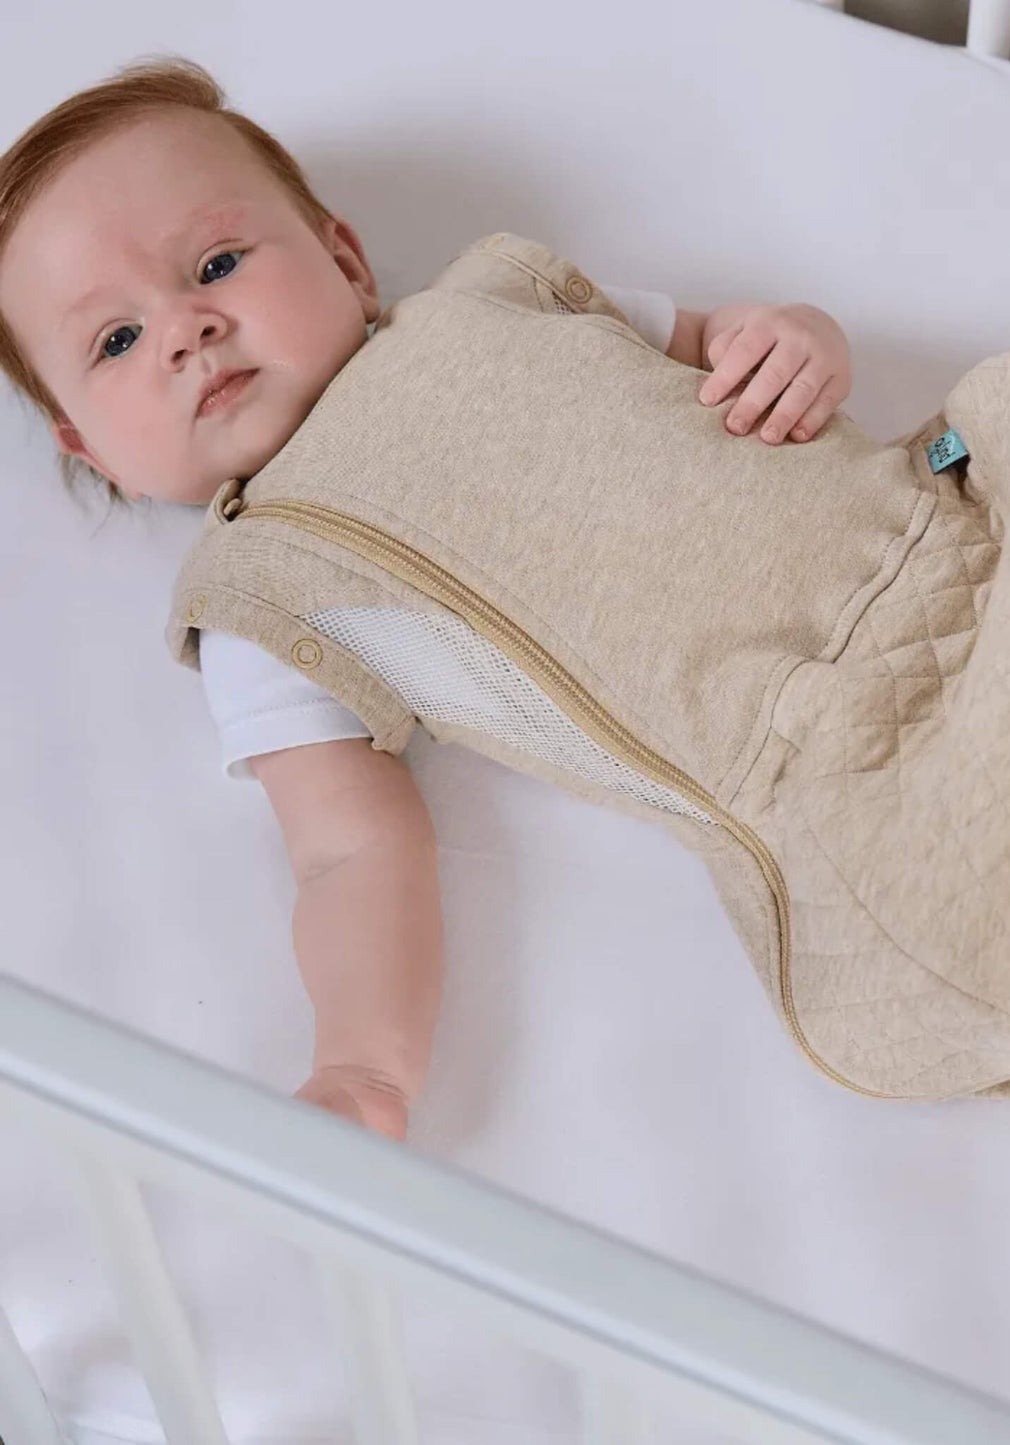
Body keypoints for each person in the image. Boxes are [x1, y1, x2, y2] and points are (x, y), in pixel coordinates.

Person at [0, 56, 854, 1141]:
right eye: (116, 340)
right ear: (89, 447)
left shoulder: (485, 304)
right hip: (804, 743)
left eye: (216, 263)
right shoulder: (259, 601)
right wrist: (363, 1063)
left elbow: (713, 340)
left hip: (915, 520)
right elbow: (347, 850)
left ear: (346, 262)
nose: (185, 328)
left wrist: (793, 337)